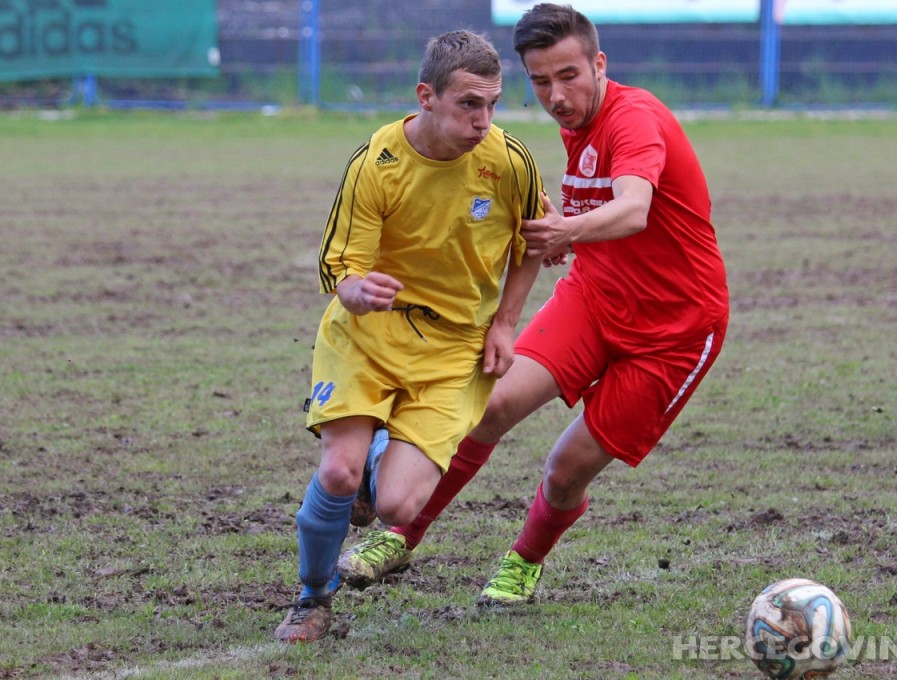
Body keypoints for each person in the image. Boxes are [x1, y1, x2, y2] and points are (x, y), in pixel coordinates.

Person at [338, 2, 729, 605]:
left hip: (674, 331)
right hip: (595, 298)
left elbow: (634, 209)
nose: (556, 95)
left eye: (569, 75)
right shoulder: (575, 124)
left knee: (565, 468)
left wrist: (568, 232)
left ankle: (525, 560)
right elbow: (571, 205)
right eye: (541, 81)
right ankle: (401, 534)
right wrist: (556, 220)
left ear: (600, 63)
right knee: (487, 406)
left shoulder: (634, 118)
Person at [274, 29, 547, 643]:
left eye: (493, 104)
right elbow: (342, 270)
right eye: (468, 105)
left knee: (397, 507)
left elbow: (536, 240)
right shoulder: (379, 162)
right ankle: (313, 598)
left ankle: (377, 466)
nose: (484, 120)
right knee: (338, 474)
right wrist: (357, 290)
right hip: (368, 335)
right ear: (426, 96)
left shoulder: (508, 161)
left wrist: (506, 321)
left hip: (455, 349)